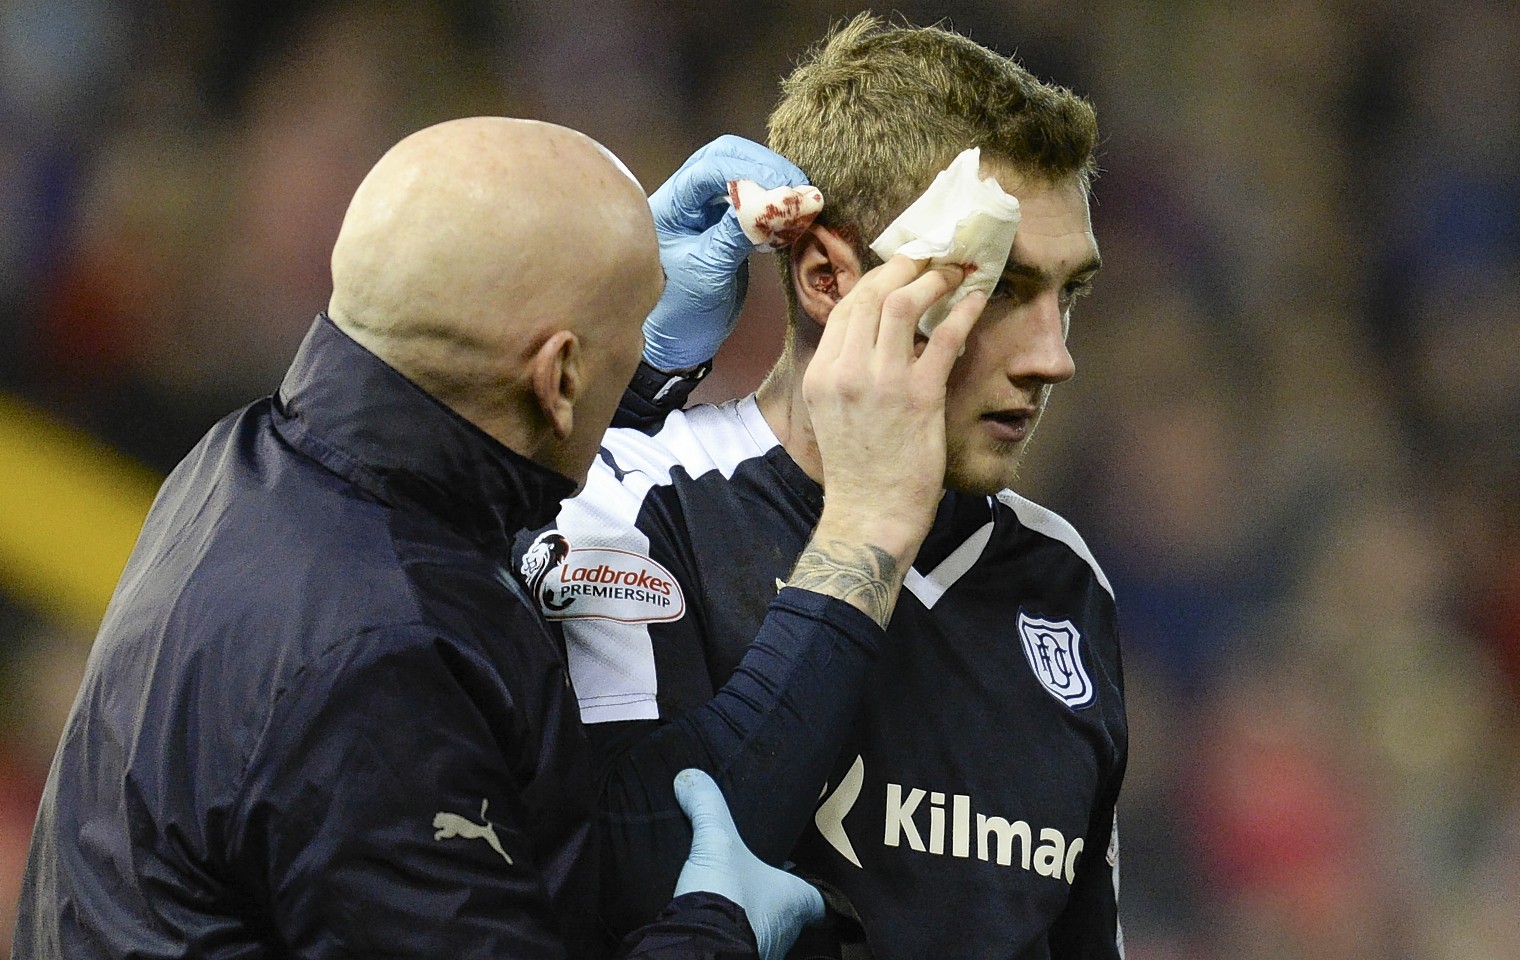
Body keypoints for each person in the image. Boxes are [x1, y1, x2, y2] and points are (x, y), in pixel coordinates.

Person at [11, 116, 981, 960]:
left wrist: (619, 355)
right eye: (618, 340)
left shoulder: (253, 465)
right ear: (555, 377)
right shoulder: (381, 660)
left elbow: (466, 470)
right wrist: (712, 929)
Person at [527, 14, 1126, 959]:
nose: (1054, 357)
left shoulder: (1062, 578)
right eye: (1000, 288)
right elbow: (637, 878)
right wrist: (869, 531)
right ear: (826, 278)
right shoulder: (633, 507)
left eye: (1071, 295)